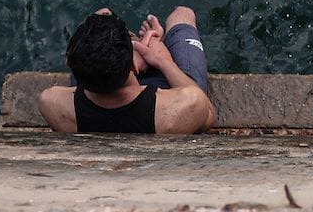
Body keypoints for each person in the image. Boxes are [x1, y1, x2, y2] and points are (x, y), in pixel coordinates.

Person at [36, 7, 216, 135]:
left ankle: (139, 44)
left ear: (70, 63)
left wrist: (127, 60)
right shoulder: (185, 106)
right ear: (133, 67)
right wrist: (163, 61)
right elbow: (207, 113)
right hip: (162, 100)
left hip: (99, 79)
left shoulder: (52, 103)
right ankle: (146, 43)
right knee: (182, 14)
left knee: (102, 14)